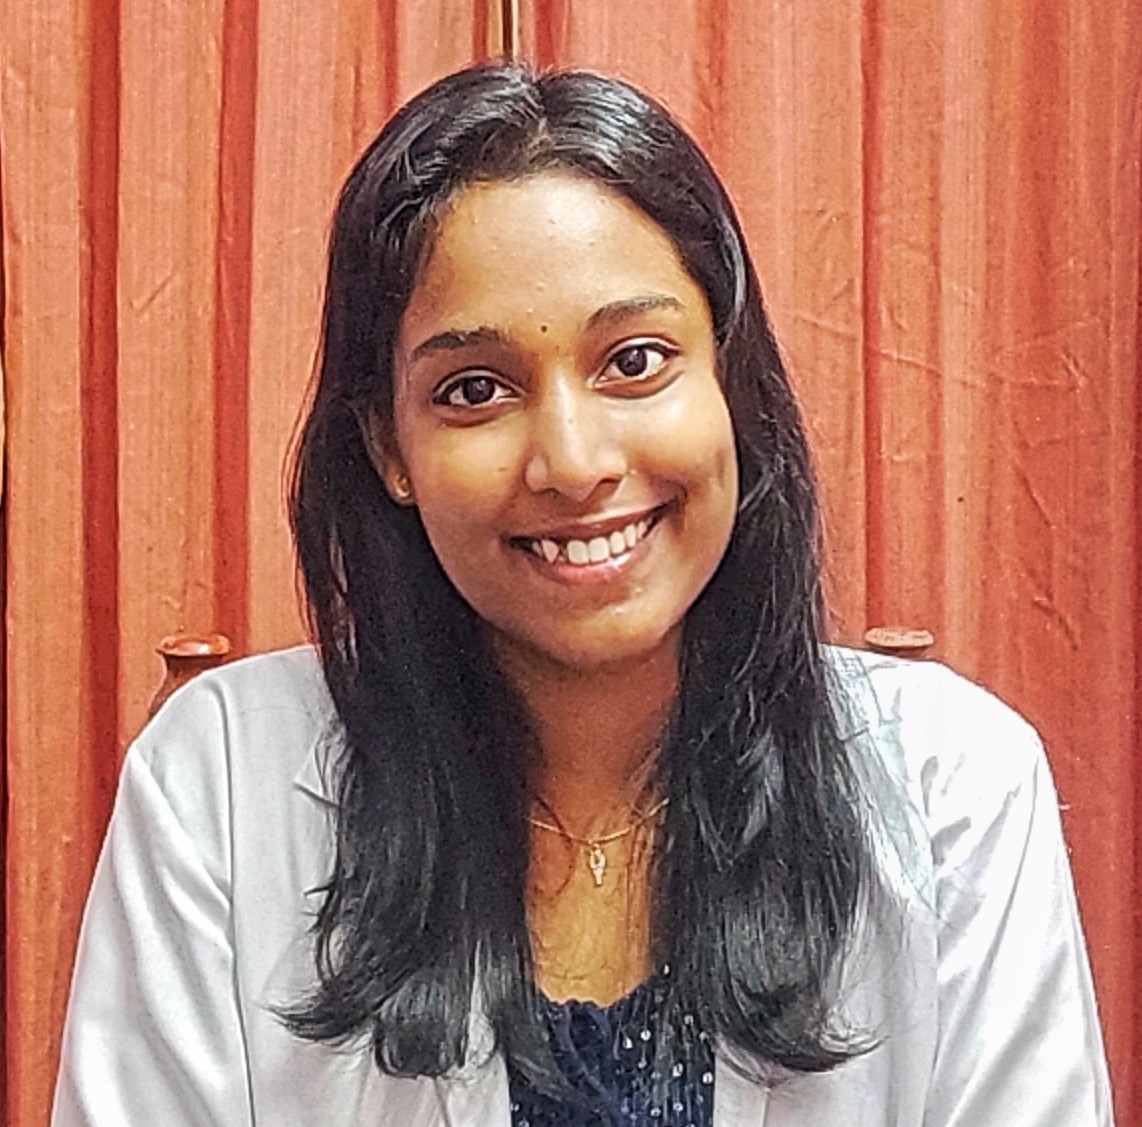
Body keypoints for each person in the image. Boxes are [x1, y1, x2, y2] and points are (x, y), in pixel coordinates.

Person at [53, 64, 1112, 1127]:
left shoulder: (954, 788)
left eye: (634, 360)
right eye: (476, 388)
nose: (571, 460)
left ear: (729, 381)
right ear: (388, 446)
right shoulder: (218, 786)